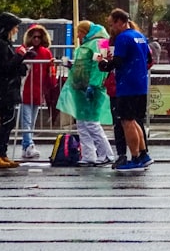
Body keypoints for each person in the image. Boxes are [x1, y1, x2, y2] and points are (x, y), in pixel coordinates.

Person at [57, 21, 115, 165]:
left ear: (86, 32)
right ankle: (89, 155)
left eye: (80, 32)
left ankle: (106, 154)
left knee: (91, 124)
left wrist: (93, 85)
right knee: (83, 124)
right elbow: (86, 65)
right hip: (81, 89)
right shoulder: (91, 44)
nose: (78, 35)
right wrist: (72, 66)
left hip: (90, 89)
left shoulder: (97, 44)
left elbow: (98, 66)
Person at [104, 9, 153, 172]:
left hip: (127, 85)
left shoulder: (123, 38)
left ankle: (136, 157)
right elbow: (149, 58)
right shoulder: (140, 36)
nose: (112, 28)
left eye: (112, 24)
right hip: (140, 83)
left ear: (120, 21)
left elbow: (118, 61)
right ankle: (144, 154)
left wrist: (104, 65)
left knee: (127, 121)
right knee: (135, 120)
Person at [0, 12, 26, 169]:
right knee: (7, 121)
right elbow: (4, 68)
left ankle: (2, 153)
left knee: (9, 121)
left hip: (6, 88)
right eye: (15, 27)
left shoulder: (4, 44)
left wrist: (21, 60)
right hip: (3, 88)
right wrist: (19, 56)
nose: (16, 30)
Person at [18, 23, 58, 160]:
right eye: (34, 36)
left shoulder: (45, 52)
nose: (36, 39)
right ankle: (28, 144)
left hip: (38, 89)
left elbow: (50, 72)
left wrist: (50, 85)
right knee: (27, 120)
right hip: (26, 88)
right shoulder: (24, 50)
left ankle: (26, 146)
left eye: (39, 37)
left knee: (31, 121)